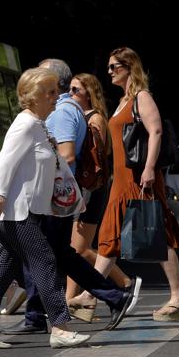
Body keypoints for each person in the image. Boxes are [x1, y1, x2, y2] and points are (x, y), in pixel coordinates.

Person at [9, 59, 137, 334]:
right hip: (54, 199)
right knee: (57, 255)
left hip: (53, 200)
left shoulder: (62, 111)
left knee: (43, 254)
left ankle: (39, 315)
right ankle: (111, 297)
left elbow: (65, 155)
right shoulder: (63, 109)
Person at [0, 67, 89, 349]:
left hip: (22, 212)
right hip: (16, 214)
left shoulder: (38, 125)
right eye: (50, 92)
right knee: (45, 262)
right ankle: (60, 327)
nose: (56, 97)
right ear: (33, 97)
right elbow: (5, 164)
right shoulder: (25, 124)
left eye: (56, 91)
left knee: (2, 273)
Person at [95, 48, 179, 322]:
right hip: (122, 180)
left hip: (139, 178)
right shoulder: (123, 100)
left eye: (115, 67)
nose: (110, 71)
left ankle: (178, 296)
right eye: (109, 67)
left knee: (156, 231)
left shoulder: (141, 97)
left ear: (129, 67)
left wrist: (149, 169)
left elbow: (156, 131)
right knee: (111, 234)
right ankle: (89, 292)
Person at [64, 73, 135, 318]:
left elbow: (95, 161)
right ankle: (76, 301)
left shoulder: (95, 119)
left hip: (91, 188)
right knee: (76, 248)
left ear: (88, 94)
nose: (70, 94)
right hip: (82, 188)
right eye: (69, 89)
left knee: (79, 249)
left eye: (75, 90)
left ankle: (124, 282)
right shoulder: (79, 116)